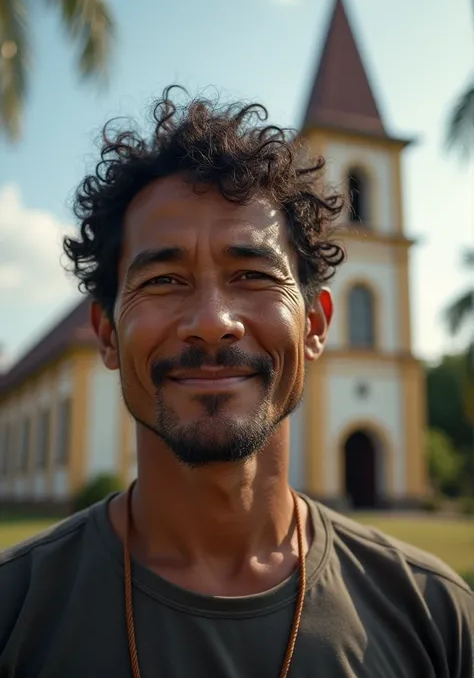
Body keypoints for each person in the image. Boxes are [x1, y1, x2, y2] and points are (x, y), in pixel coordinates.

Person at [0, 88, 472, 678]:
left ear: (315, 324)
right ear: (106, 335)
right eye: (165, 280)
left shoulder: (436, 618)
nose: (212, 323)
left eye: (252, 274)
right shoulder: (15, 614)